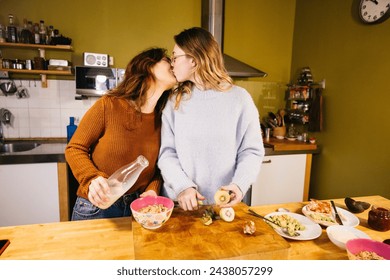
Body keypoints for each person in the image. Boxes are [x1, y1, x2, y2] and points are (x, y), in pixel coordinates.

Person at [158, 27, 265, 211]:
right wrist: (183, 186)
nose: (172, 64)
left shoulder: (240, 99)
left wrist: (239, 185)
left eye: (175, 57)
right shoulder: (174, 101)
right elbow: (167, 153)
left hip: (223, 207)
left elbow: (252, 151)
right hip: (180, 206)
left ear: (193, 59)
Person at [65, 48, 177, 220]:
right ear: (148, 66)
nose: (173, 63)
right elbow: (74, 148)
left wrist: (152, 190)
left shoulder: (162, 119)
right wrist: (92, 179)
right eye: (167, 59)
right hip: (96, 207)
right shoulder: (109, 105)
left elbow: (156, 168)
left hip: (137, 210)